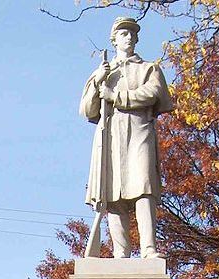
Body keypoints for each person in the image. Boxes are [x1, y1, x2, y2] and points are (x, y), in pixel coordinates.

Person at [80, 17, 174, 259]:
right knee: (111, 195)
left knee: (143, 189)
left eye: (132, 33)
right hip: (110, 136)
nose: (129, 37)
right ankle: (120, 253)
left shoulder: (148, 69)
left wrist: (116, 95)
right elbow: (87, 111)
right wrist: (98, 82)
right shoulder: (103, 72)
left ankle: (148, 249)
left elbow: (153, 93)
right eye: (123, 33)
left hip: (139, 130)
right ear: (114, 40)